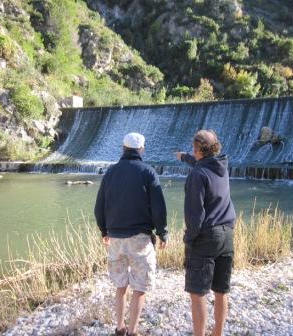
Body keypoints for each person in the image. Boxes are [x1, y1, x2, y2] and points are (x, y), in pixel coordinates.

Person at [95, 132, 168, 336]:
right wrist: (163, 232)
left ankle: (119, 327)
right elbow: (158, 208)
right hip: (140, 239)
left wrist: (104, 230)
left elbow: (99, 206)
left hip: (115, 238)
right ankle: (134, 331)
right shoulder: (148, 172)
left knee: (120, 286)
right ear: (141, 150)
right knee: (139, 287)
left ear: (123, 148)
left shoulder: (110, 173)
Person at [175, 130, 236, 336]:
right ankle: (217, 333)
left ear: (198, 149)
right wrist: (184, 157)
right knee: (220, 290)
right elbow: (201, 163)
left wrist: (189, 239)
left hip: (207, 237)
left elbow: (195, 215)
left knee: (198, 293)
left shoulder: (197, 175)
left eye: (193, 149)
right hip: (227, 234)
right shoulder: (222, 166)